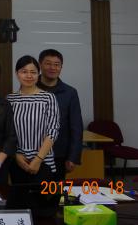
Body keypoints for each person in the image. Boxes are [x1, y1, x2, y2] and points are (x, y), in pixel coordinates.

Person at [7, 55, 60, 184]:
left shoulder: (48, 98)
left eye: (33, 72)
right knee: (19, 196)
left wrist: (38, 159)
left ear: (38, 74)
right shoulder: (10, 99)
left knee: (42, 197)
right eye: (24, 72)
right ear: (17, 74)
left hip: (43, 162)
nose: (29, 76)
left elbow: (53, 130)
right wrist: (16, 156)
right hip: (17, 161)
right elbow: (6, 132)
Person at [37, 49, 83, 180]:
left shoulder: (70, 92)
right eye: (48, 63)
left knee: (54, 191)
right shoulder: (29, 88)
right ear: (40, 65)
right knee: (30, 191)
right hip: (32, 152)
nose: (52, 68)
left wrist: (73, 157)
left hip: (59, 154)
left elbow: (76, 127)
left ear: (61, 67)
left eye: (57, 64)